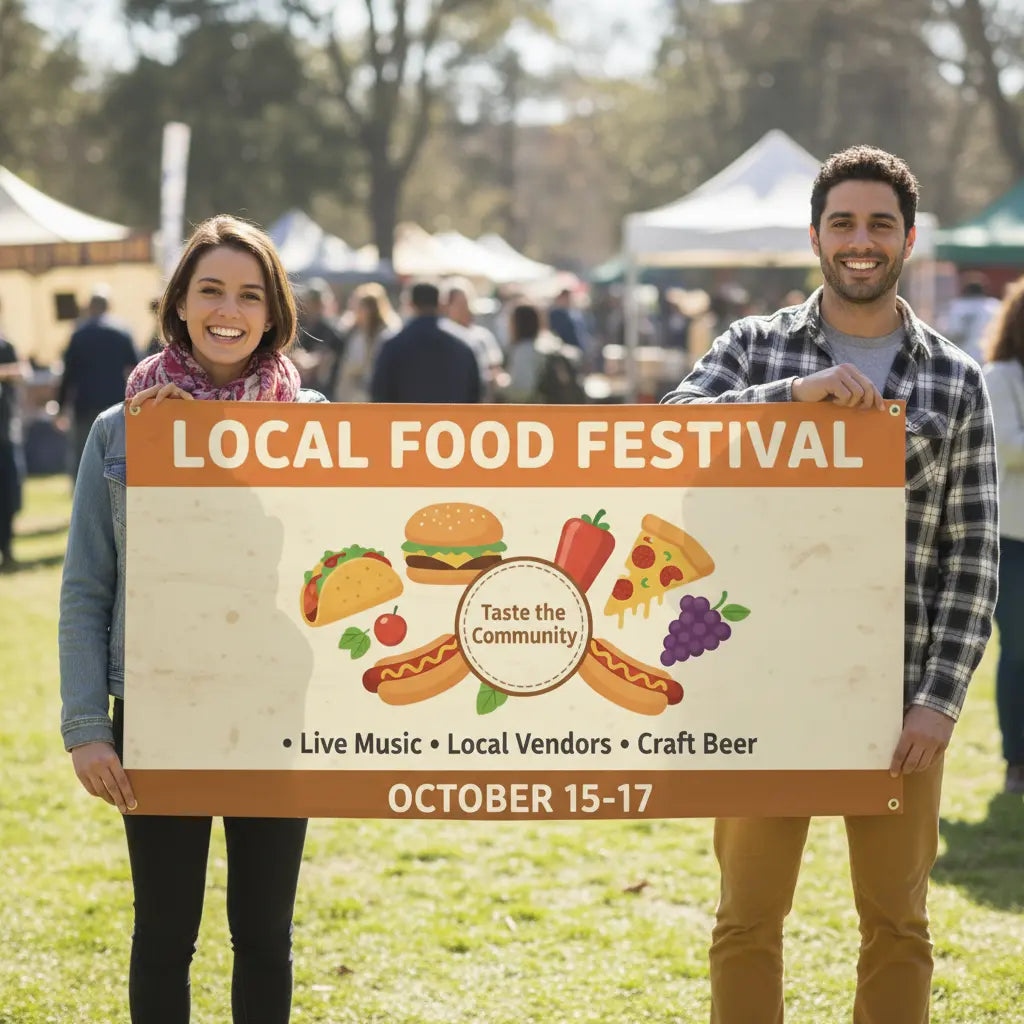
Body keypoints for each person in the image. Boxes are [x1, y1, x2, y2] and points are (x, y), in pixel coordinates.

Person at [663, 145, 999, 1023]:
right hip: (760, 685)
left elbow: (971, 555)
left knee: (897, 923)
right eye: (843, 223)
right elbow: (669, 435)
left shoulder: (957, 379)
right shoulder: (753, 347)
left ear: (908, 239)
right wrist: (791, 395)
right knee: (747, 921)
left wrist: (940, 701)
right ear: (816, 236)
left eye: (879, 224)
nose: (861, 240)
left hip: (895, 701)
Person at [59, 214, 324, 1023]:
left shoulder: (315, 427)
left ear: (273, 312)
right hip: (159, 701)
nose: (228, 310)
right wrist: (86, 727)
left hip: (276, 702)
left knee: (265, 936)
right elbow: (85, 588)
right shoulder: (121, 430)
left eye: (250, 294)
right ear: (178, 304)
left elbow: (340, 570)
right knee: (165, 932)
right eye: (210, 289)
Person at [981, 275, 1024, 794]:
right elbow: (1010, 447)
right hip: (1012, 541)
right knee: (1019, 651)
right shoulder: (999, 377)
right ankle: (1017, 760)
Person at [57, 285, 139, 484]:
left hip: (84, 404)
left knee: (84, 454)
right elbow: (136, 369)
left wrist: (61, 407)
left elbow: (68, 375)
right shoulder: (122, 332)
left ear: (90, 307)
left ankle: (83, 497)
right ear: (108, 306)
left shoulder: (78, 335)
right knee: (117, 452)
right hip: (115, 402)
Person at [370, 280, 481, 403]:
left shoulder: (393, 344)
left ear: (410, 304)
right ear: (440, 304)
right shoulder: (463, 344)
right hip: (451, 420)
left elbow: (379, 393)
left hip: (406, 420)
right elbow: (475, 392)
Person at [501, 302, 585, 404]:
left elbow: (521, 392)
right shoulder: (551, 342)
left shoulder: (524, 351)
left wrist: (500, 384)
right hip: (558, 408)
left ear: (518, 324)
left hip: (537, 411)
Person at [332, 282, 400, 402]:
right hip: (351, 399)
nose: (355, 311)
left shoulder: (387, 335)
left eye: (359, 307)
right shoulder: (355, 333)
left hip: (375, 398)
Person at [442, 277, 504, 399]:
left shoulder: (482, 336)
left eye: (466, 303)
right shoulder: (441, 339)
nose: (465, 309)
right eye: (459, 304)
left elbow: (496, 371)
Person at [0, 301, 27, 571]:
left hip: (4, 431)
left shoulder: (5, 345)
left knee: (8, 493)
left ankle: (7, 549)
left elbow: (20, 372)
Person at [293, 278, 346, 394]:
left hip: (325, 391)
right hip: (302, 390)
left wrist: (312, 361)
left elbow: (331, 355)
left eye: (313, 302)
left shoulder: (332, 329)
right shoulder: (302, 325)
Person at [940, 272, 1002, 364]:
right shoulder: (994, 306)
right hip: (989, 356)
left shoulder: (958, 306)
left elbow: (954, 333)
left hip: (963, 357)